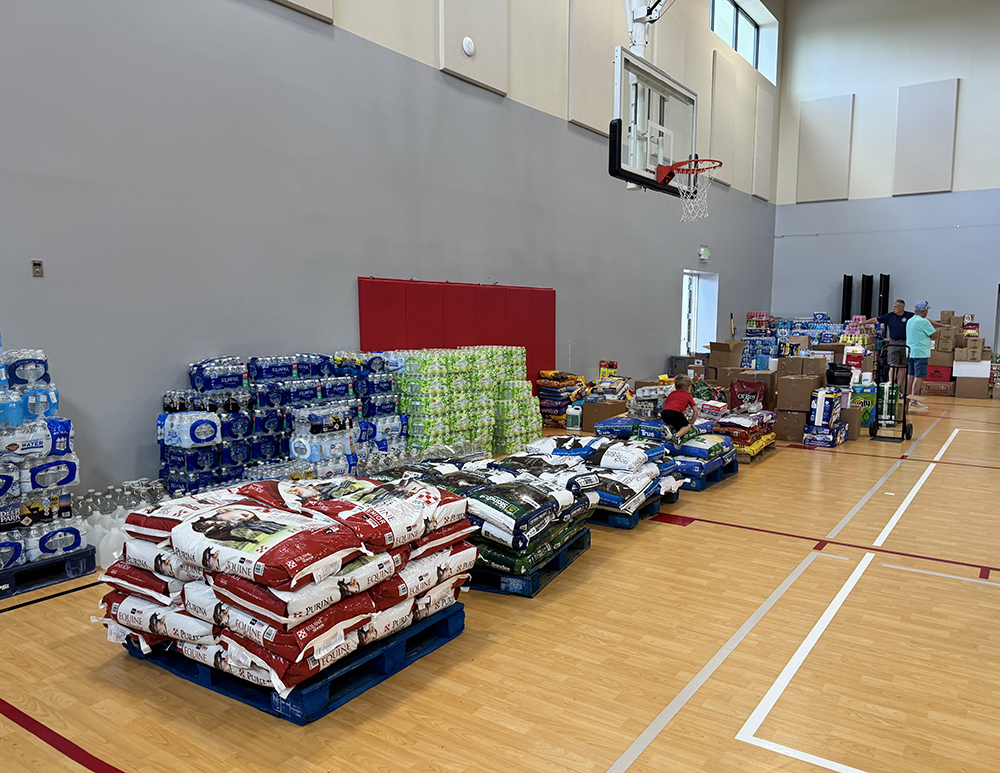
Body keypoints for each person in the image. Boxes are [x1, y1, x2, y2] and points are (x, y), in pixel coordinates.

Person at [864, 299, 913, 393]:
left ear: (902, 308)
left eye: (896, 307)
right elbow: (876, 319)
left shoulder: (909, 316)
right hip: (893, 342)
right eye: (893, 307)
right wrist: (861, 323)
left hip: (906, 343)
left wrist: (940, 325)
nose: (894, 309)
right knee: (893, 365)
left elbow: (921, 321)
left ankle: (898, 388)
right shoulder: (890, 316)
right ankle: (891, 385)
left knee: (903, 366)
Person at [905, 300, 940, 410]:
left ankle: (908, 397)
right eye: (927, 310)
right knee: (919, 377)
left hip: (910, 352)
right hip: (920, 353)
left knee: (910, 375)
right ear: (924, 310)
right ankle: (914, 400)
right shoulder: (924, 322)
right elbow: (935, 335)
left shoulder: (910, 320)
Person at [661, 375, 699, 441]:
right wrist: (691, 423)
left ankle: (667, 427)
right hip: (676, 413)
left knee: (676, 424)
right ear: (688, 388)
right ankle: (676, 436)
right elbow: (695, 410)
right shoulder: (688, 395)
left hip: (664, 413)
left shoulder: (671, 394)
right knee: (686, 426)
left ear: (675, 387)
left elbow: (667, 404)